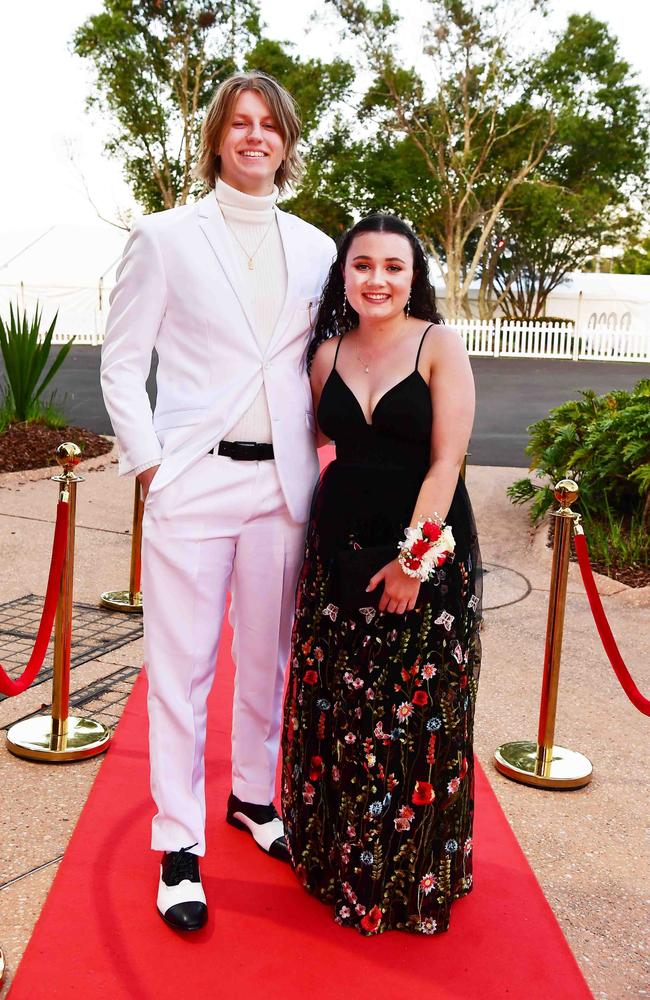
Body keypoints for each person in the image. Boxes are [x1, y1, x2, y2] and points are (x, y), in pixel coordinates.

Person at [101, 71, 335, 931]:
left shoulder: (316, 247)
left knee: (268, 660)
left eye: (269, 125)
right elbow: (122, 362)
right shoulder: (163, 237)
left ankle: (252, 797)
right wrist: (152, 466)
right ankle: (177, 846)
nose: (254, 137)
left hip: (283, 486)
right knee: (184, 669)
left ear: (286, 141)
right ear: (216, 137)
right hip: (192, 480)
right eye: (239, 123)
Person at [281, 213, 482, 936]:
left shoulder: (438, 346)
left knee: (411, 719)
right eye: (362, 265)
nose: (378, 279)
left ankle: (405, 880)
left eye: (393, 267)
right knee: (344, 713)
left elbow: (445, 462)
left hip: (417, 555)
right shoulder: (325, 354)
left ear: (413, 277)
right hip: (336, 550)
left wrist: (411, 562)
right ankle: (341, 864)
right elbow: (312, 441)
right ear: (344, 276)